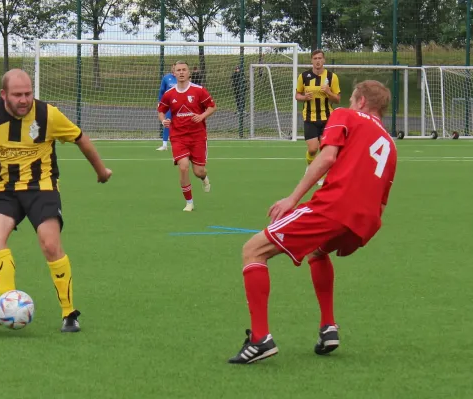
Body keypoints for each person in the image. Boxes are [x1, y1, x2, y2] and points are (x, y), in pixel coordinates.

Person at [228, 80, 397, 364]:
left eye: (353, 97)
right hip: (366, 222)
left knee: (253, 251)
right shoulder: (391, 145)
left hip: (333, 208)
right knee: (318, 252)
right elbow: (382, 199)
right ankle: (328, 327)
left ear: (362, 102)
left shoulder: (345, 114)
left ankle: (260, 339)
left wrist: (292, 198)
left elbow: (327, 156)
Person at [0, 69, 112, 333]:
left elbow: (80, 138)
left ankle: (69, 312)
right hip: (7, 188)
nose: (24, 99)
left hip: (42, 187)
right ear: (4, 94)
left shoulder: (48, 114)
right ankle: (7, 306)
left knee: (50, 244)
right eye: (17, 94)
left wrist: (101, 171)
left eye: (28, 93)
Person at [157, 61, 217, 212]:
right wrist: (164, 120)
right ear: (174, 73)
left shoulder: (199, 90)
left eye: (184, 70)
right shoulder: (169, 94)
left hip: (197, 136)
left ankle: (204, 178)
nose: (181, 72)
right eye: (178, 70)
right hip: (178, 136)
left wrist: (202, 116)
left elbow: (212, 106)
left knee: (198, 171)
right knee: (183, 168)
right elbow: (161, 110)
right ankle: (189, 202)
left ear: (189, 73)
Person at [295, 50, 341, 185]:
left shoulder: (332, 77)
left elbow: (337, 99)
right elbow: (297, 95)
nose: (317, 61)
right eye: (315, 58)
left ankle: (320, 175)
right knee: (313, 149)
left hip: (327, 118)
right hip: (310, 117)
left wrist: (328, 92)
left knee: (325, 150)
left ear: (324, 60)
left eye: (320, 58)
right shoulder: (303, 76)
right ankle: (310, 166)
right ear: (311, 61)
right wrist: (304, 97)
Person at [156, 63, 177, 151]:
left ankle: (179, 143)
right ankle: (164, 145)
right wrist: (160, 102)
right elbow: (161, 91)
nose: (174, 69)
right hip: (169, 105)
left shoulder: (183, 79)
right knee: (167, 123)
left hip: (180, 105)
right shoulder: (166, 78)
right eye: (173, 67)